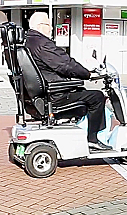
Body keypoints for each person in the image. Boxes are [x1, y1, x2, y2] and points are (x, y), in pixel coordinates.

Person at [25, 12, 109, 151]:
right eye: (49, 25)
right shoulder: (43, 44)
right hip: (55, 96)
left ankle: (81, 132)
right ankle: (92, 139)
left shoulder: (29, 42)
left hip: (41, 95)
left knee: (83, 92)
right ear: (40, 26)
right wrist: (87, 74)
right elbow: (65, 65)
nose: (51, 29)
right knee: (97, 97)